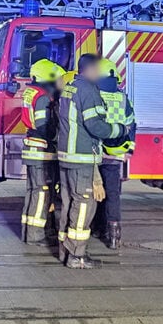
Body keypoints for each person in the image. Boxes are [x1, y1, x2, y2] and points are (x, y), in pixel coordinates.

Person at [56, 54, 128, 269]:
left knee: (69, 204)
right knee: (84, 206)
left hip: (65, 156)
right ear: (90, 70)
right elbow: (95, 126)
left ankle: (64, 250)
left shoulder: (69, 87)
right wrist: (119, 129)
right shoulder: (89, 90)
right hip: (82, 156)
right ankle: (77, 255)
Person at [93, 58, 135, 250]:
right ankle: (114, 237)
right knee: (113, 195)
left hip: (95, 153)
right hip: (115, 154)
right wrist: (130, 149)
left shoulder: (93, 94)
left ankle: (96, 228)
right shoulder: (123, 98)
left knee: (94, 192)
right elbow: (132, 124)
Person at [21, 59, 64, 245]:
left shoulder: (32, 92)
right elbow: (43, 126)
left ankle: (28, 232)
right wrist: (56, 135)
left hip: (32, 148)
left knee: (33, 192)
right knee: (42, 193)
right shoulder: (44, 97)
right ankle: (36, 236)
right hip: (41, 150)